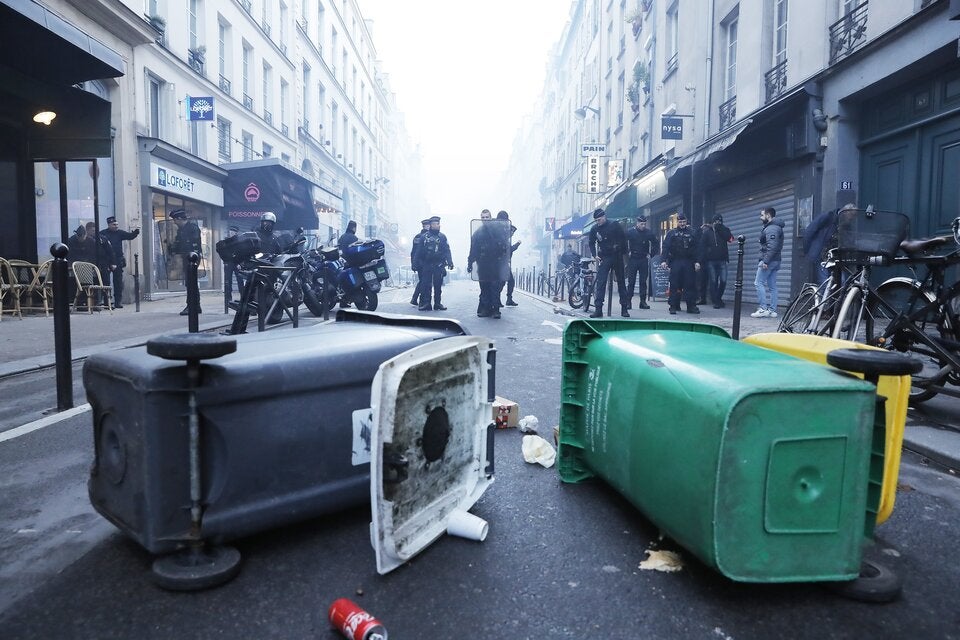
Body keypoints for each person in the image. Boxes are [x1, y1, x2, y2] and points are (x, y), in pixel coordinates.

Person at [587, 208, 630, 318]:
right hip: (604, 257)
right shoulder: (594, 228)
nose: (598, 222)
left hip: (616, 256)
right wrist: (594, 254)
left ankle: (624, 308)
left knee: (621, 283)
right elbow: (591, 242)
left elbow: (624, 239)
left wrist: (624, 255)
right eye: (596, 220)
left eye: (600, 219)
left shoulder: (614, 225)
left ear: (604, 216)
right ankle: (598, 309)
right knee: (600, 283)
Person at [467, 209, 510, 318]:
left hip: (496, 265)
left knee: (495, 288)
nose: (485, 219)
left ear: (491, 218)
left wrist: (504, 261)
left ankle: (496, 310)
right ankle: (485, 309)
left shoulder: (498, 230)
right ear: (481, 219)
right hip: (483, 265)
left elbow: (505, 246)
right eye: (483, 217)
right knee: (484, 287)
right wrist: (470, 263)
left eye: (487, 217)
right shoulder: (477, 233)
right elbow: (473, 249)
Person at [660, 214, 701, 315]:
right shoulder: (671, 233)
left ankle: (691, 306)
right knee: (674, 284)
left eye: (684, 222)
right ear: (677, 222)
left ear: (686, 221)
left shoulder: (692, 233)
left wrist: (697, 261)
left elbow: (697, 248)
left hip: (688, 261)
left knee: (690, 284)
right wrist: (663, 260)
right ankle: (673, 306)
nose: (682, 224)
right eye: (680, 222)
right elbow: (666, 247)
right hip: (675, 261)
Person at [805, 203, 853, 285]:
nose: (852, 218)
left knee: (842, 282)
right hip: (822, 255)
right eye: (852, 215)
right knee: (824, 282)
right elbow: (810, 231)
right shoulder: (828, 217)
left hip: (837, 257)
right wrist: (808, 250)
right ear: (846, 212)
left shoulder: (847, 225)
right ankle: (822, 297)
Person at [750, 206, 785, 318]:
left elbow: (772, 246)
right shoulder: (774, 227)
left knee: (758, 283)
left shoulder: (772, 228)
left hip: (768, 261)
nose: (761, 217)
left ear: (768, 215)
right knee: (772, 286)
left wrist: (765, 261)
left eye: (762, 215)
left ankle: (763, 309)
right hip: (775, 260)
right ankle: (772, 310)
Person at [168, 208, 203, 316]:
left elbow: (193, 244)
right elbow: (178, 244)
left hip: (192, 258)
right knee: (190, 283)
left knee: (191, 283)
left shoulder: (192, 228)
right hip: (185, 257)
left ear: (179, 218)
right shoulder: (181, 230)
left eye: (175, 220)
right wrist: (172, 249)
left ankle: (192, 306)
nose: (174, 222)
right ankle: (195, 306)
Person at [414, 216, 453, 311]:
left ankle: (437, 303)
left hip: (439, 264)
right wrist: (415, 263)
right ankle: (427, 303)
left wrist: (450, 261)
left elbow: (447, 250)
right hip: (427, 264)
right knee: (426, 285)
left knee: (438, 285)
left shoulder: (442, 237)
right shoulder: (424, 237)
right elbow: (418, 251)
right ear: (431, 225)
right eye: (437, 224)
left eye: (439, 223)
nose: (439, 225)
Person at [100, 216, 140, 308]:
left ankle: (118, 302)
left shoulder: (120, 233)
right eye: (114, 225)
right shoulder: (103, 233)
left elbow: (130, 236)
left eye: (117, 224)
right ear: (109, 225)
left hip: (117, 260)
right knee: (106, 281)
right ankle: (107, 302)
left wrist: (136, 232)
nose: (116, 226)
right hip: (106, 260)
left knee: (118, 282)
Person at [698, 214, 734, 308]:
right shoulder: (707, 233)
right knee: (713, 281)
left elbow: (730, 239)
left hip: (722, 260)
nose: (718, 223)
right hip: (711, 261)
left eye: (720, 221)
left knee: (723, 281)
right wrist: (700, 260)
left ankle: (718, 298)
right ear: (712, 222)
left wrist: (721, 229)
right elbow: (702, 246)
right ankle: (716, 301)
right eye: (716, 222)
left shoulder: (724, 230)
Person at [624, 215, 659, 310]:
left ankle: (642, 302)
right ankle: (628, 302)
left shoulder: (648, 233)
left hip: (643, 258)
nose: (643, 226)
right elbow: (623, 241)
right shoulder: (631, 232)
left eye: (644, 224)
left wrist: (651, 254)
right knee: (631, 282)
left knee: (643, 282)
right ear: (637, 223)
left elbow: (656, 243)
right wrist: (627, 253)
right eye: (641, 224)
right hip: (633, 259)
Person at [409, 218, 431, 306]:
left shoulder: (428, 236)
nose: (429, 227)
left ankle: (415, 299)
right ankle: (417, 299)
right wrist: (413, 264)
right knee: (423, 281)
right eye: (428, 225)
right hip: (421, 263)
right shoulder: (419, 237)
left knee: (423, 281)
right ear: (424, 226)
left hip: (425, 263)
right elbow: (415, 251)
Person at [505, 222, 521, 306]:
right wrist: (518, 244)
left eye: (513, 232)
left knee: (508, 281)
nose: (512, 234)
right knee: (507, 282)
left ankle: (508, 299)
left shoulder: (506, 239)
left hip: (504, 264)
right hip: (502, 264)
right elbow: (510, 250)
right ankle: (507, 299)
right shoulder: (504, 239)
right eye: (511, 232)